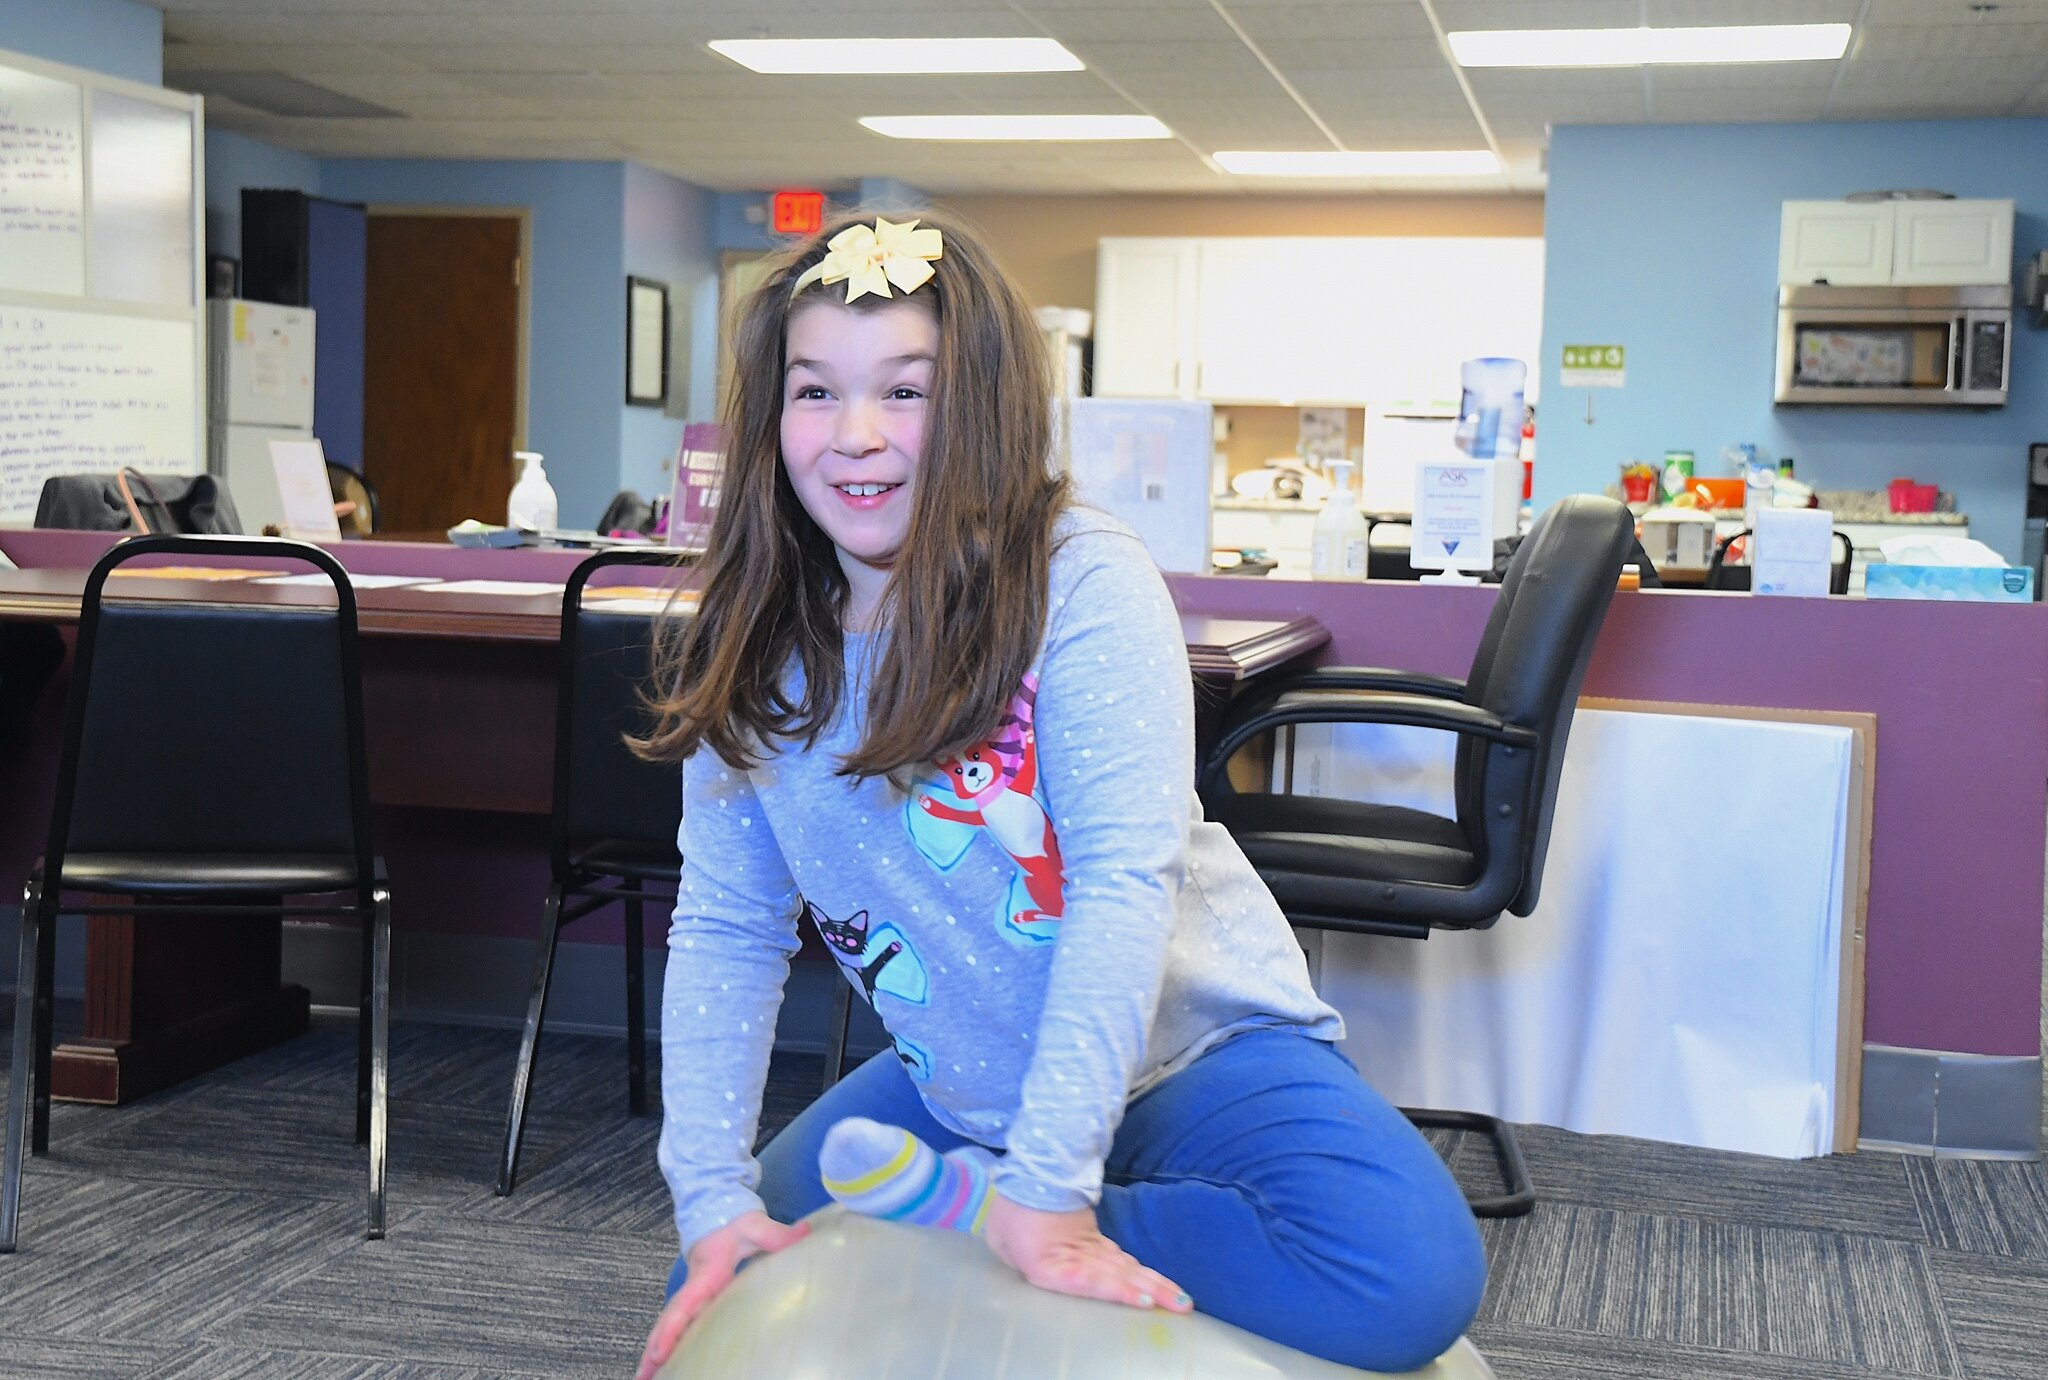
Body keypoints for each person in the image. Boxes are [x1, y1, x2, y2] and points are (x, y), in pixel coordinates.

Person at [632, 211, 1485, 1380]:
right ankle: (966, 1194)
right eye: (815, 392)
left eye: (907, 391)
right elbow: (725, 928)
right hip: (966, 1078)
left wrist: (1040, 1199)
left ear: (977, 403)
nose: (857, 436)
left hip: (1187, 1052)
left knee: (1404, 1277)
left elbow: (1119, 887)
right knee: (715, 1277)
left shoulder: (1077, 577)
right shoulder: (751, 633)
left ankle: (975, 1207)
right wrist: (709, 1197)